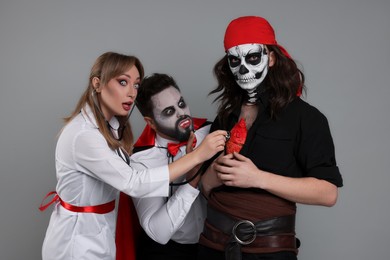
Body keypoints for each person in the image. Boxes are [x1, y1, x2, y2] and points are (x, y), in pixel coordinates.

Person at [39, 52, 227, 260]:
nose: (131, 93)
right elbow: (133, 183)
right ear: (97, 84)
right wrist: (197, 158)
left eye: (136, 85)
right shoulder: (84, 135)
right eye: (122, 82)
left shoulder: (112, 128)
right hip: (76, 243)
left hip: (101, 234)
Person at [197, 16, 343, 260]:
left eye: (253, 57)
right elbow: (205, 188)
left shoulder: (305, 118)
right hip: (212, 246)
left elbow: (328, 193)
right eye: (235, 60)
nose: (243, 68)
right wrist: (212, 173)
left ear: (271, 58)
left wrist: (257, 178)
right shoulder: (225, 117)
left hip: (269, 250)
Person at [116, 73, 211, 260]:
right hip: (167, 251)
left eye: (181, 104)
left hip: (214, 247)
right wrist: (191, 181)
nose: (181, 113)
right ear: (150, 122)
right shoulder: (141, 162)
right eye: (169, 112)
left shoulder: (209, 132)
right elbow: (158, 232)